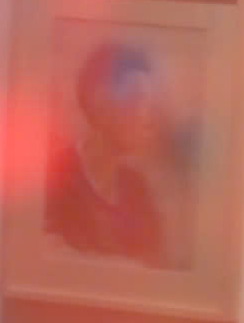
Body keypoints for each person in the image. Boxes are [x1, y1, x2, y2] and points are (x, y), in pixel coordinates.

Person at [45, 39, 171, 266]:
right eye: (138, 99)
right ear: (100, 105)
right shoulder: (55, 180)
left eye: (151, 103)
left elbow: (155, 268)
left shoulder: (137, 190)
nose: (150, 118)